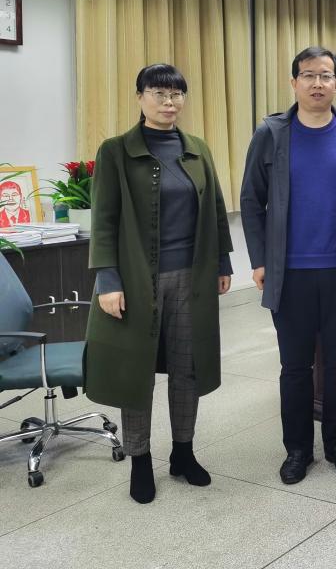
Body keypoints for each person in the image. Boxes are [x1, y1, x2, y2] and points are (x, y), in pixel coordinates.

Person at [85, 63, 232, 504]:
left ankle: (183, 453)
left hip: (193, 278)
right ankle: (140, 460)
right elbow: (104, 219)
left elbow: (215, 207)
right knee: (137, 373)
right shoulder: (116, 151)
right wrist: (108, 280)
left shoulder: (197, 149)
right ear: (140, 97)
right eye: (159, 94)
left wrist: (222, 261)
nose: (169, 103)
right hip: (135, 281)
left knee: (188, 368)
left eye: (176, 94)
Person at [240, 46, 336, 486]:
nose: (318, 83)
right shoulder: (272, 132)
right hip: (290, 274)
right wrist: (260, 259)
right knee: (295, 368)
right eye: (309, 75)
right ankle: (297, 449)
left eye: (326, 75)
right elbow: (251, 200)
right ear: (294, 82)